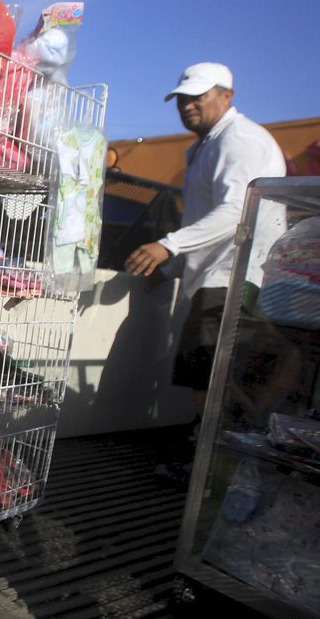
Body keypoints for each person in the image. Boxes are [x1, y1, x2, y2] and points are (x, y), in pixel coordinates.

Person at [125, 62, 286, 466]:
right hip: (213, 275)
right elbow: (202, 219)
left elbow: (237, 211)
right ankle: (209, 449)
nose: (188, 105)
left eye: (198, 96)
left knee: (216, 373)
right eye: (182, 99)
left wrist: (167, 246)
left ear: (227, 96)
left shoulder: (241, 139)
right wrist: (172, 268)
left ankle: (216, 457)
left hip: (237, 276)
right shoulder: (202, 147)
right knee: (203, 370)